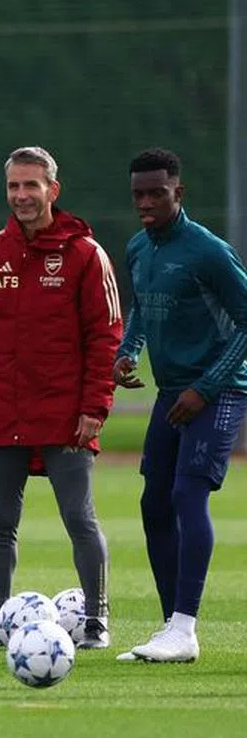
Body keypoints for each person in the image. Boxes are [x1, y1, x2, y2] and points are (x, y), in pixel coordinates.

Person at [0, 146, 121, 649]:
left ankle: (96, 622)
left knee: (79, 520)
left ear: (53, 190)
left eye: (31, 185)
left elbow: (105, 335)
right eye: (14, 187)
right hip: (2, 409)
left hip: (65, 412)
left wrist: (95, 407)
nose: (22, 195)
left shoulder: (86, 254)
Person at [113, 148, 247, 663]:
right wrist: (128, 351)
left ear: (179, 192)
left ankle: (185, 628)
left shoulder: (208, 252)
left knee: (189, 496)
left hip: (220, 391)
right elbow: (142, 308)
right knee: (153, 504)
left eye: (156, 193)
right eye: (138, 195)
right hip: (174, 395)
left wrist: (206, 387)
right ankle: (172, 629)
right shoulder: (139, 249)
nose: (145, 203)